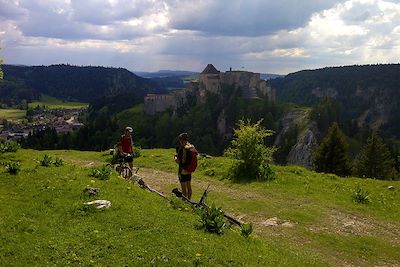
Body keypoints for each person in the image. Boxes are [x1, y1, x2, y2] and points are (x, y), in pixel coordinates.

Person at [174, 132, 194, 199]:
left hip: (182, 171)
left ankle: (184, 202)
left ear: (181, 140)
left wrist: (175, 157)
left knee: (184, 189)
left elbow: (178, 161)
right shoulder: (191, 147)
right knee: (189, 187)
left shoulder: (182, 149)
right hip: (189, 170)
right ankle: (189, 200)